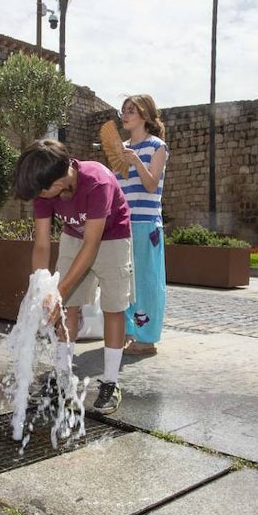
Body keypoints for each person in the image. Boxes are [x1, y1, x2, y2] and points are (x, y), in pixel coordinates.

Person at [13, 139, 134, 413]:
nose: (39, 195)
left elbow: (92, 245)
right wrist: (41, 287)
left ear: (56, 182)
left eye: (41, 191)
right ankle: (62, 379)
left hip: (112, 237)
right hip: (74, 236)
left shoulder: (97, 181)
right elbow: (42, 244)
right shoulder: (44, 191)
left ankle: (111, 382)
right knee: (67, 308)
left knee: (113, 307)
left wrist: (59, 291)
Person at [114, 94, 169, 356]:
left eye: (131, 111)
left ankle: (147, 339)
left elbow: (151, 185)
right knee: (124, 280)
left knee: (146, 281)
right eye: (123, 110)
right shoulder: (121, 148)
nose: (124, 115)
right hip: (122, 224)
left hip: (146, 224)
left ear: (144, 116)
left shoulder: (157, 147)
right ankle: (128, 332)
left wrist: (136, 161)